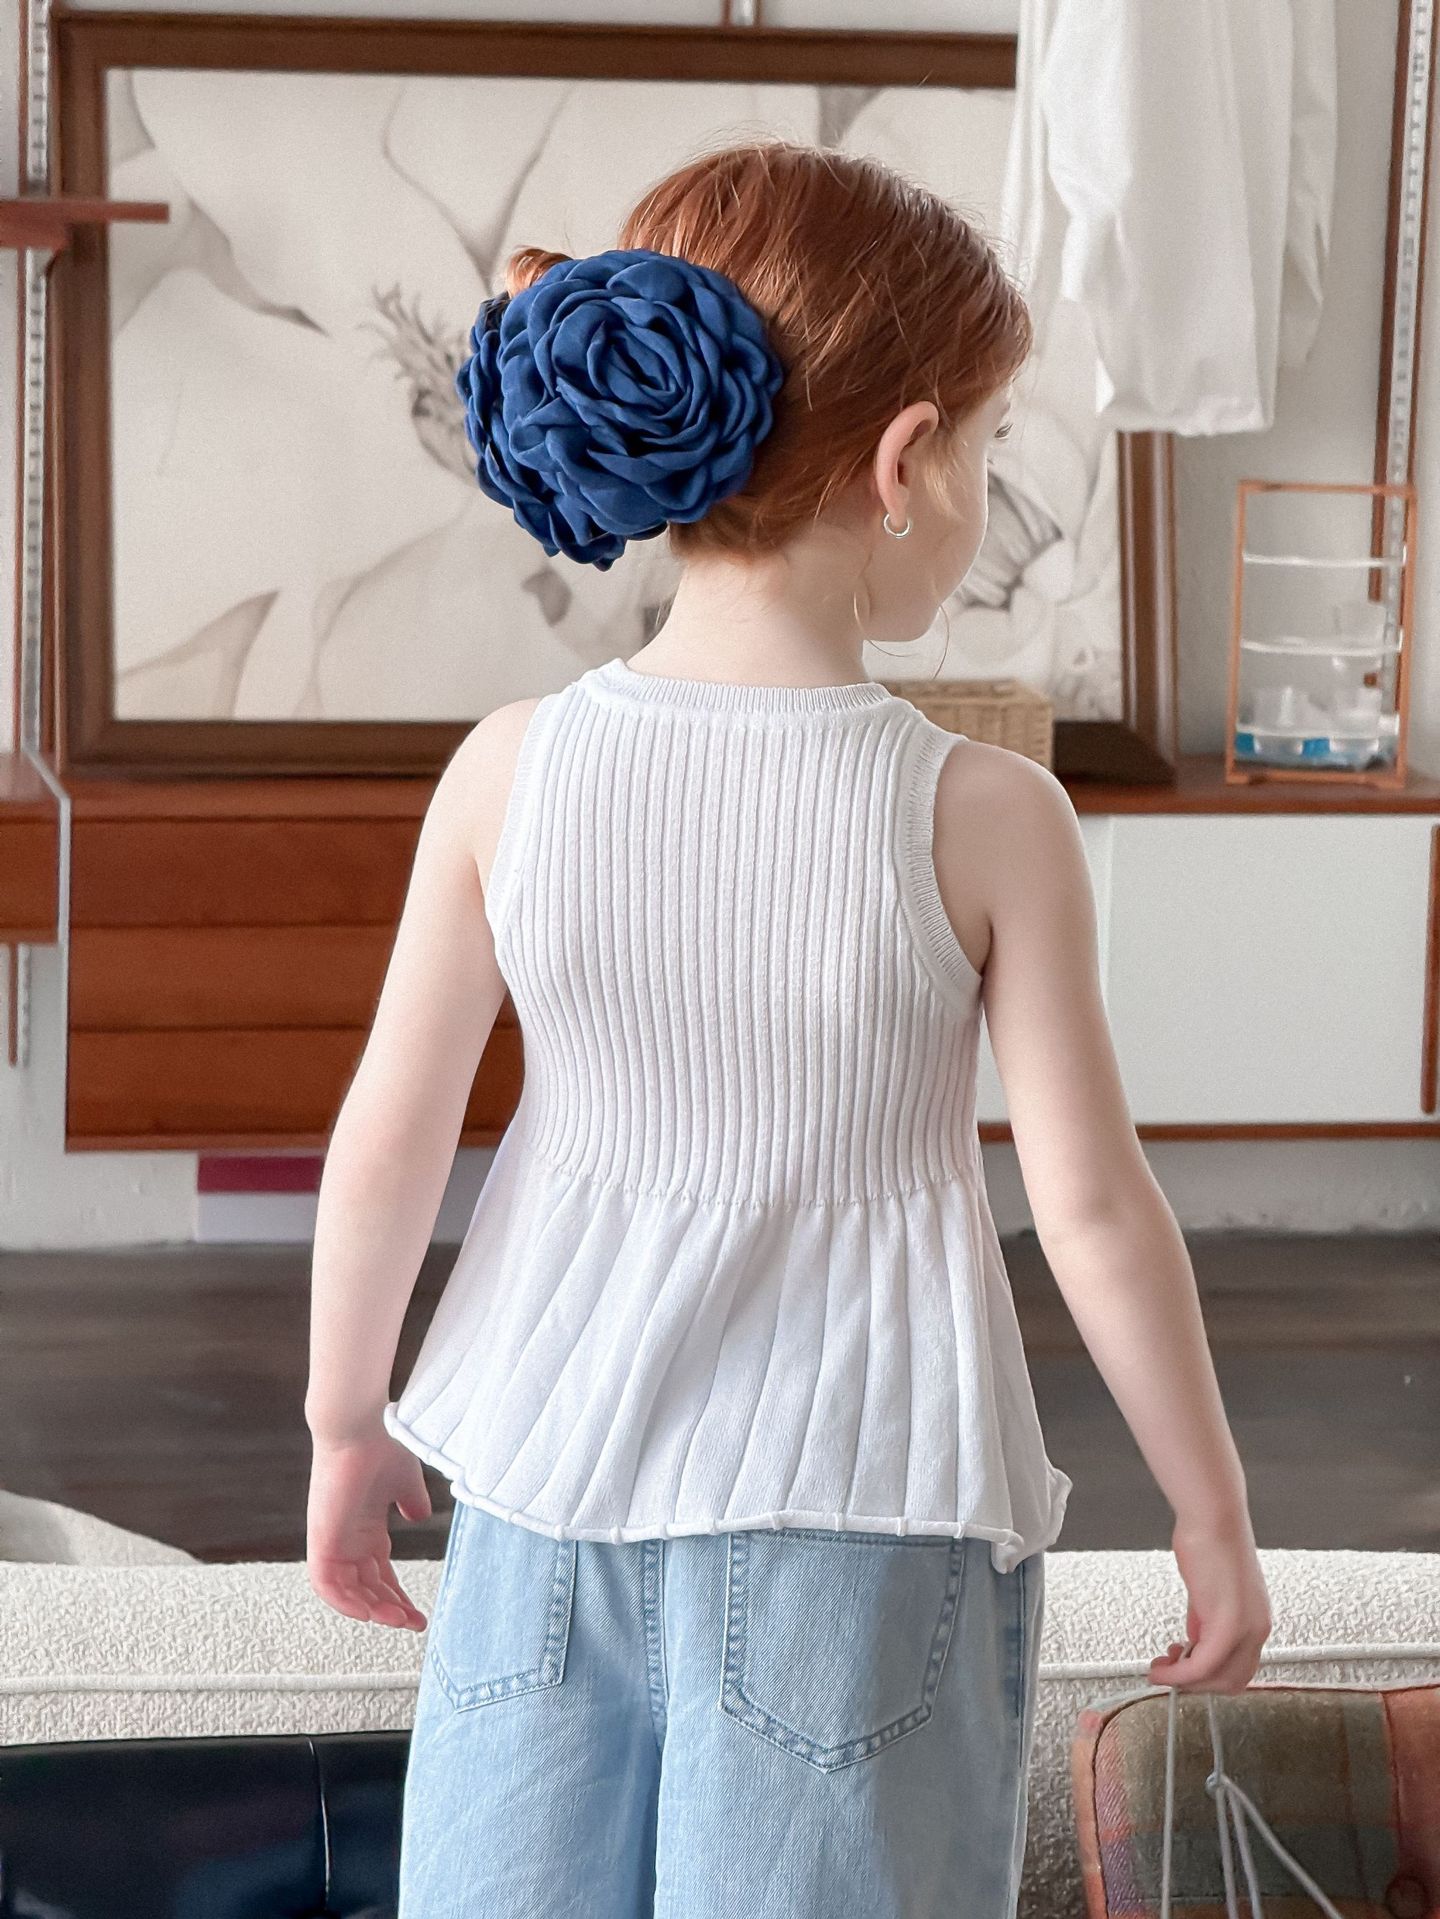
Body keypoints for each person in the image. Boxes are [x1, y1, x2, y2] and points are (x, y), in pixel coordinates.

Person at [304, 136, 1272, 1919]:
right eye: (988, 448)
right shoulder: (986, 813)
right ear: (906, 464)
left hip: (536, 1485)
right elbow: (1093, 1210)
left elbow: (391, 1136)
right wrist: (1209, 1509)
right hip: (866, 1513)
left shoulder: (511, 770)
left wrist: (344, 1419)